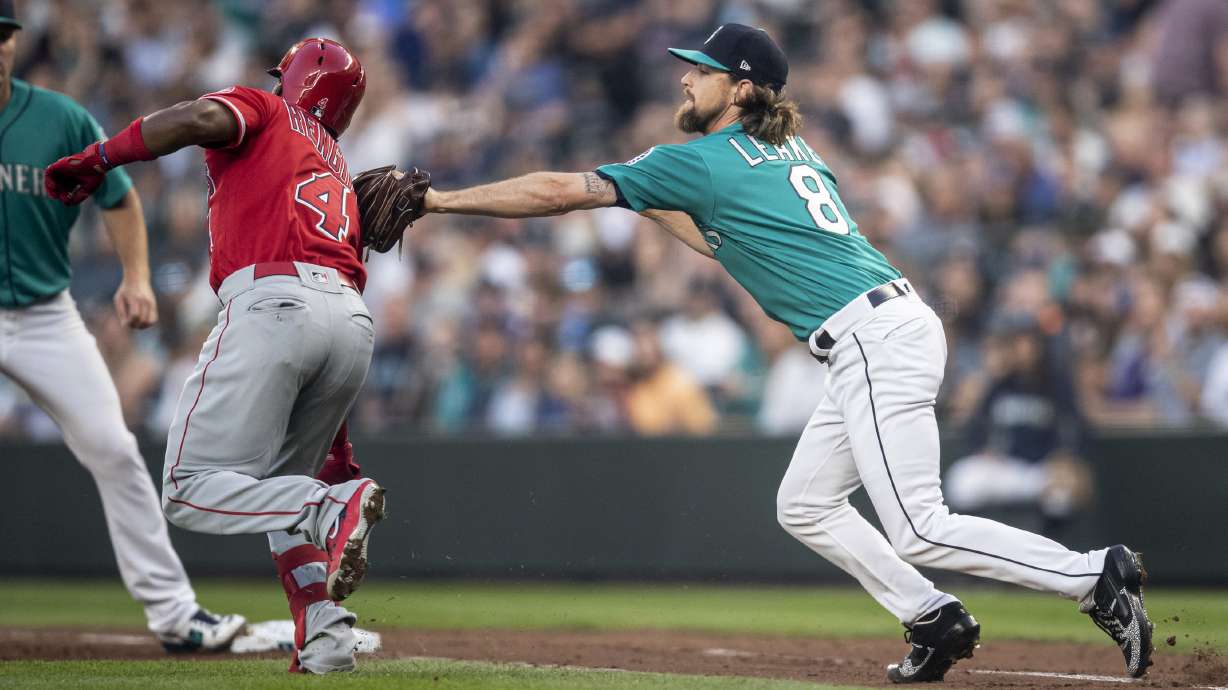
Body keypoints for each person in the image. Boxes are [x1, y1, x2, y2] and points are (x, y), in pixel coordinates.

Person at [416, 23, 1154, 683]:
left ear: (738, 88)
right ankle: (931, 615)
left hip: (871, 340)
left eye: (701, 70)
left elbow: (560, 191)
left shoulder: (704, 160)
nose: (684, 77)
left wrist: (440, 201)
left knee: (919, 522)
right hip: (883, 328)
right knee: (803, 504)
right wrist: (647, 202)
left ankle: (1094, 576)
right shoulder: (784, 146)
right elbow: (717, 239)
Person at [45, 37, 383, 675]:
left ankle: (328, 508)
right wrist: (334, 441)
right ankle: (327, 638)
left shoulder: (267, 108)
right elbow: (331, 306)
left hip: (275, 301)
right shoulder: (335, 160)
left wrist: (100, 157)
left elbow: (201, 118)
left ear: (297, 81)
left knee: (187, 488)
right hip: (351, 320)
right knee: (285, 489)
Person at [0, 1, 243, 652]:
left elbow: (118, 195)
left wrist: (137, 278)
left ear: (16, 43)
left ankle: (176, 615)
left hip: (46, 315)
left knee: (113, 448)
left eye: (3, 35)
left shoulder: (58, 119)